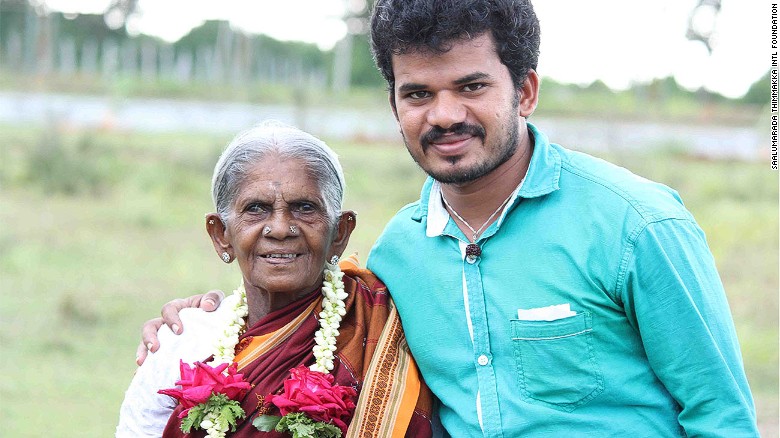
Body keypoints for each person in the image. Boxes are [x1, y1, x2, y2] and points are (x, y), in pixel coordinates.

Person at [139, 0, 759, 435]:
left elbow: (722, 418)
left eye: (471, 87)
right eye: (418, 94)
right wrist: (198, 320)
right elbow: (307, 316)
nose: (443, 116)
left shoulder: (637, 226)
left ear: (524, 91)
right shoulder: (397, 256)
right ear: (394, 105)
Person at [117, 121, 434, 437]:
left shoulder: (386, 329)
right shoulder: (182, 341)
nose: (281, 229)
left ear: (339, 233)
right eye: (256, 208)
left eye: (304, 208)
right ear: (221, 235)